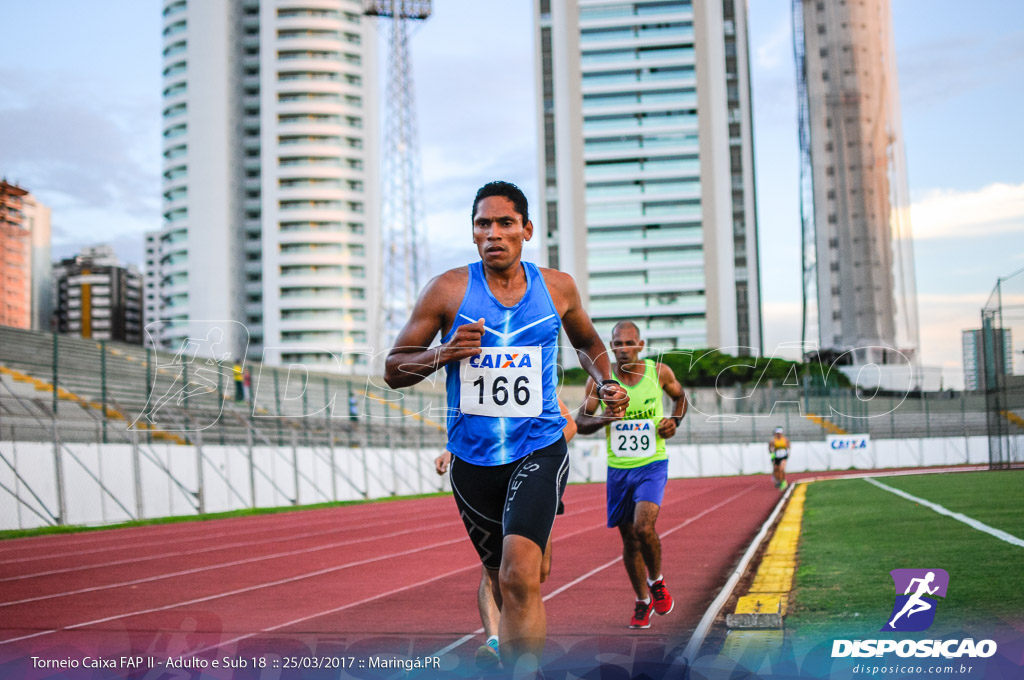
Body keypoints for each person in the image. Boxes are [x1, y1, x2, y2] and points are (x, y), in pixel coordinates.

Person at [384, 181, 628, 670]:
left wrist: (603, 380)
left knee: (520, 578)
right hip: (472, 459)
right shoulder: (448, 290)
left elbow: (589, 343)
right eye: (483, 224)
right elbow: (394, 369)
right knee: (501, 580)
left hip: (538, 444)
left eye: (505, 223)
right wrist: (445, 353)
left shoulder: (557, 287)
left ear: (526, 230)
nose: (493, 233)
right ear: (473, 233)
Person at [434, 399, 577, 670]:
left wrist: (533, 447)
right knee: (496, 570)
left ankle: (517, 639)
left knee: (536, 571)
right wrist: (453, 452)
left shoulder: (536, 377)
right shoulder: (477, 379)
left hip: (533, 470)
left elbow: (569, 426)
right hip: (487, 475)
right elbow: (473, 431)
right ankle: (498, 641)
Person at [575, 321, 688, 629]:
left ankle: (657, 581)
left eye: (629, 343)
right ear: (611, 347)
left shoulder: (658, 372)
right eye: (617, 344)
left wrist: (674, 421)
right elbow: (580, 422)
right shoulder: (602, 381)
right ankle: (642, 600)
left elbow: (681, 398)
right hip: (619, 469)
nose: (623, 349)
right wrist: (604, 419)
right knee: (628, 539)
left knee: (643, 528)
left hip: (652, 463)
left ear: (640, 345)